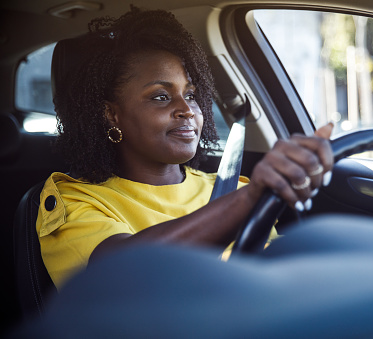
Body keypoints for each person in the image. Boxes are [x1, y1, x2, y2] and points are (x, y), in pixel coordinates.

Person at [36, 6, 334, 289]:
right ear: (111, 114)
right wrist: (248, 200)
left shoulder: (231, 188)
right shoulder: (75, 201)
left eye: (190, 94)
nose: (187, 109)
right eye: (160, 97)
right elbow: (121, 276)